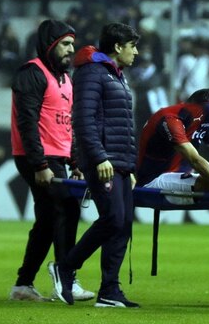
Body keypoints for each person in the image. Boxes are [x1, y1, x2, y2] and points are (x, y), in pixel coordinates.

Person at [49, 23, 140, 308]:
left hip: (119, 161)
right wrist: (99, 157)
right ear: (117, 47)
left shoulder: (116, 75)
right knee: (112, 218)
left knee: (122, 224)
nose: (136, 52)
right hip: (103, 160)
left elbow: (120, 123)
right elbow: (84, 120)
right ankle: (65, 266)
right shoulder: (91, 72)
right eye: (132, 46)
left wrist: (128, 164)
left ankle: (109, 291)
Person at [9, 19, 94, 302]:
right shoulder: (31, 73)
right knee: (67, 210)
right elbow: (27, 123)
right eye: (66, 44)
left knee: (47, 220)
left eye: (73, 43)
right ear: (50, 44)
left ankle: (23, 285)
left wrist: (77, 163)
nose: (72, 49)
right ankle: (66, 278)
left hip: (56, 157)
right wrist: (40, 164)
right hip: (38, 158)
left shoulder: (65, 79)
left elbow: (65, 127)